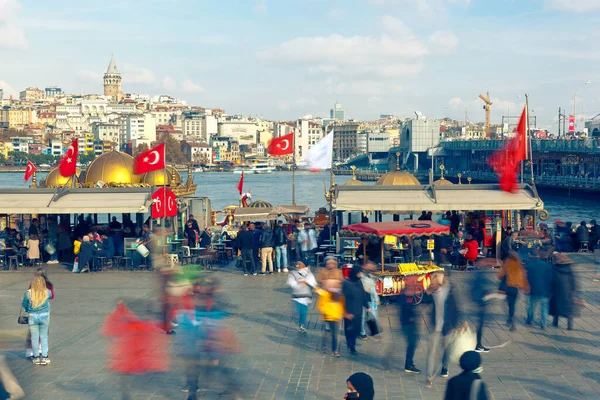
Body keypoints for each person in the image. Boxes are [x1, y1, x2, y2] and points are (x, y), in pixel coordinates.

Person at [425, 271, 464, 386]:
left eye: (434, 281)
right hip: (435, 326)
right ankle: (429, 375)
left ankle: (444, 366)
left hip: (447, 325)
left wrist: (458, 325)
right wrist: (428, 293)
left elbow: (456, 308)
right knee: (431, 351)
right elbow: (425, 302)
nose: (433, 283)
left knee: (446, 348)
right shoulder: (431, 291)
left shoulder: (450, 290)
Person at [21, 276, 53, 365]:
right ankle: (45, 357)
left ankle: (36, 357)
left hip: (32, 316)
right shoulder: (47, 292)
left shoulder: (29, 293)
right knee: (44, 337)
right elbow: (51, 296)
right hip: (44, 316)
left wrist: (28, 310)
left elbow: (24, 303)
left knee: (34, 338)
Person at [497, 251, 530, 332]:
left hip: (508, 287)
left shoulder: (507, 264)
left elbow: (500, 276)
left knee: (507, 304)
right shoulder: (519, 265)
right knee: (512, 305)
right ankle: (510, 319)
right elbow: (523, 277)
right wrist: (526, 287)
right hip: (516, 288)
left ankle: (511, 320)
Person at [396, 277, 421, 374]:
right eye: (412, 283)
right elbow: (404, 308)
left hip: (410, 324)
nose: (414, 285)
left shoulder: (408, 294)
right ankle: (408, 365)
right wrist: (410, 318)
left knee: (412, 344)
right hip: (407, 324)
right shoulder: (404, 296)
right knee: (412, 344)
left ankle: (409, 363)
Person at [342, 265, 369, 355]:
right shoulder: (346, 283)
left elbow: (363, 294)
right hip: (350, 311)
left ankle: (352, 344)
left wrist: (367, 305)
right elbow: (343, 298)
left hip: (358, 310)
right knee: (349, 330)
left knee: (355, 330)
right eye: (358, 273)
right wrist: (346, 312)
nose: (360, 274)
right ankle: (351, 346)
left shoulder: (359, 282)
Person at [315, 278, 344, 356]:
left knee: (333, 334)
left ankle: (333, 349)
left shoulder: (339, 295)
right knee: (330, 333)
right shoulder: (326, 295)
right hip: (329, 316)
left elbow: (342, 304)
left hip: (336, 316)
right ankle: (327, 347)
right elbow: (321, 305)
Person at [525, 250, 553, 329]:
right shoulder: (547, 266)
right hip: (545, 290)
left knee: (531, 306)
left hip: (534, 290)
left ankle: (530, 320)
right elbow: (550, 279)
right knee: (544, 308)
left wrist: (527, 288)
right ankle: (543, 324)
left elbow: (528, 278)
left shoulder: (530, 266)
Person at [550, 253, 578, 330]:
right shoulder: (569, 270)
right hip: (567, 292)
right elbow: (573, 281)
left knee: (556, 307)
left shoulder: (554, 269)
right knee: (568, 310)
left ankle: (555, 322)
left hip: (556, 292)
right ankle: (569, 325)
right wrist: (574, 291)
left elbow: (551, 281)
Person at [287, 261, 317, 333]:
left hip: (306, 295)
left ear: (304, 264)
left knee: (303, 312)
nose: (297, 265)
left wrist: (306, 282)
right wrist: (298, 283)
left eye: (299, 264)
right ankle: (301, 324)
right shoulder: (293, 273)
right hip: (297, 296)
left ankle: (301, 325)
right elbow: (291, 283)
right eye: (297, 263)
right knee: (300, 311)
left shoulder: (309, 273)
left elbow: (313, 283)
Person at [470, 270, 495, 353]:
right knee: (480, 326)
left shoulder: (479, 275)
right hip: (480, 305)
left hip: (481, 304)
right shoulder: (479, 277)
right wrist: (481, 301)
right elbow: (476, 291)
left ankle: (478, 344)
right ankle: (478, 345)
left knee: (480, 326)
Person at [359, 261, 379, 341]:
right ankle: (362, 332)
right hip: (363, 299)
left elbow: (373, 288)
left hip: (371, 299)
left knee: (373, 315)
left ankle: (373, 330)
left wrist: (376, 298)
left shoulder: (370, 276)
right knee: (362, 317)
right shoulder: (361, 276)